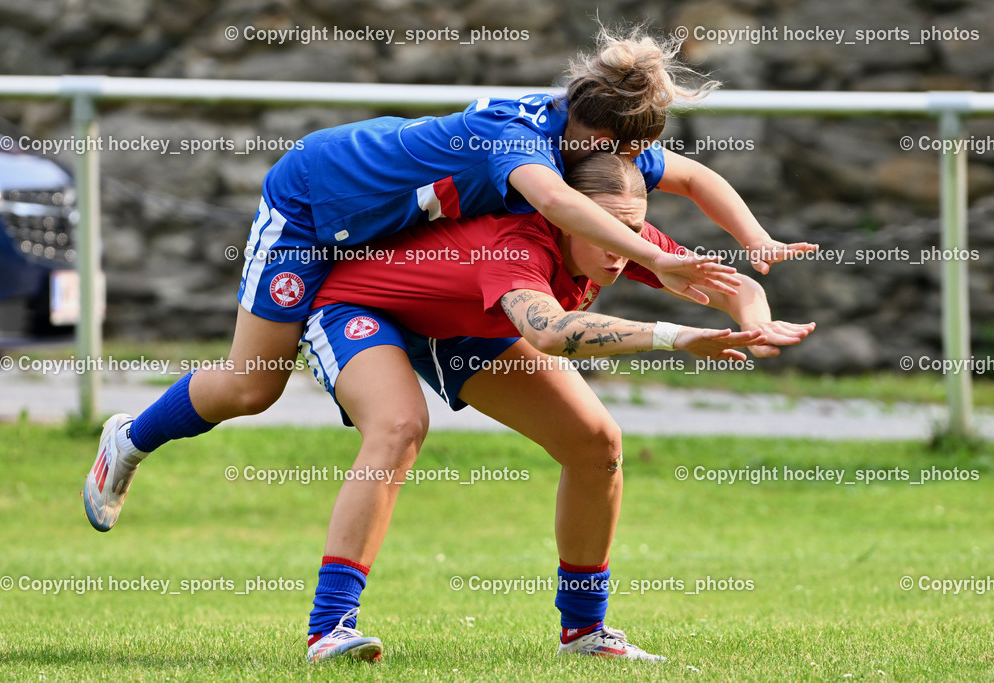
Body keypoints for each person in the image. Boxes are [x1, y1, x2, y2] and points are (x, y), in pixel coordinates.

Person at [83, 27, 817, 533]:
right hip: (312, 206)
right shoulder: (521, 140)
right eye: (625, 153)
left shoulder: (594, 147)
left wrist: (756, 243)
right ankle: (130, 438)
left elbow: (692, 177)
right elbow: (561, 205)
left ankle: (582, 629)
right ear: (595, 134)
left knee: (574, 434)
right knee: (253, 386)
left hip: (389, 242)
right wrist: (657, 260)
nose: (631, 167)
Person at [296, 153, 816, 663]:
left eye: (631, 230)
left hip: (466, 322)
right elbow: (549, 331)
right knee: (400, 426)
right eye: (603, 228)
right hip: (360, 306)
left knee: (595, 443)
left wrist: (757, 325)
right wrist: (672, 336)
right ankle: (330, 629)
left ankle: (585, 631)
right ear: (565, 215)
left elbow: (738, 287)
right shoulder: (518, 243)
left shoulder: (626, 238)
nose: (619, 247)